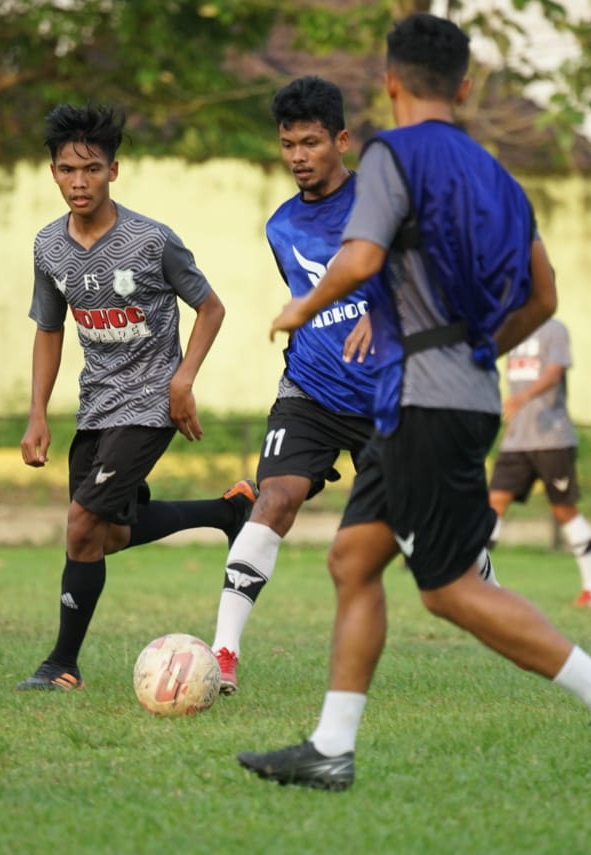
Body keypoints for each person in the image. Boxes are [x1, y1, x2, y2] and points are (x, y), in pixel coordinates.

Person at [236, 13, 591, 792]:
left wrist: (304, 306)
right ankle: (332, 745)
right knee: (353, 558)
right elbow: (544, 295)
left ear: (390, 84)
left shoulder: (393, 154)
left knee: (449, 587)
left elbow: (360, 256)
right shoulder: (499, 175)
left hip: (422, 398)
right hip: (449, 393)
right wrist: (476, 350)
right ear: (464, 87)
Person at [16, 103, 256, 691]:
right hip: (96, 406)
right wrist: (37, 414)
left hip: (150, 404)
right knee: (109, 535)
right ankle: (230, 511)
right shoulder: (49, 247)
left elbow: (211, 307)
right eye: (68, 169)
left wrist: (182, 379)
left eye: (91, 169)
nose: (79, 181)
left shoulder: (151, 241)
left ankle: (61, 665)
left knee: (79, 525)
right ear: (52, 172)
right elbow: (49, 331)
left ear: (113, 171)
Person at [208, 76, 379, 695]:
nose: (299, 156)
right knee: (274, 499)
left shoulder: (380, 204)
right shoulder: (281, 226)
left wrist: (380, 314)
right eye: (288, 145)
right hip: (308, 388)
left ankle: (492, 599)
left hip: (385, 395)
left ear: (341, 139)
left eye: (311, 142)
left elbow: (425, 277)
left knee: (428, 534)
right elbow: (308, 298)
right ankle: (222, 653)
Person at [488, 317, 591, 607]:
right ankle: (483, 587)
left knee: (564, 510)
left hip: (552, 438)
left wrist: (522, 397)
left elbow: (554, 374)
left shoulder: (554, 330)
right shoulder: (511, 326)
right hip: (516, 439)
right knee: (492, 506)